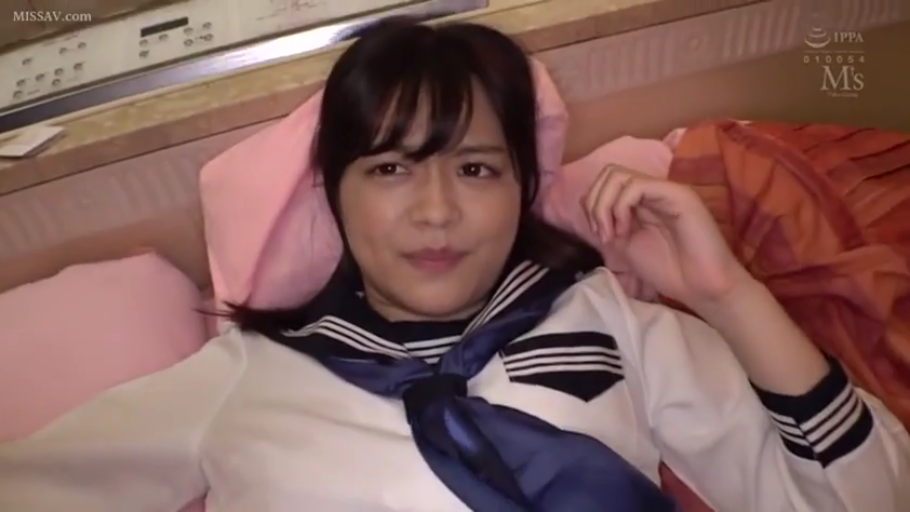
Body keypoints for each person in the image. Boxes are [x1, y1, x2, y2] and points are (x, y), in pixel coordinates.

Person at [1, 17, 908, 512]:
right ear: (334, 194)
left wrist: (728, 294)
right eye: (390, 169)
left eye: (475, 169)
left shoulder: (604, 318)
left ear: (520, 189)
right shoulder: (247, 373)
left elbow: (865, 500)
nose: (435, 210)